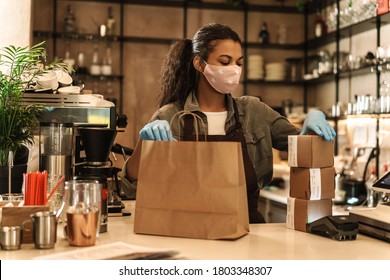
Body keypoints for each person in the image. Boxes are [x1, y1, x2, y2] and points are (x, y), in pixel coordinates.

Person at [122, 23, 335, 223]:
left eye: (238, 63)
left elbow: (301, 146)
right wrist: (144, 144)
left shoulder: (254, 111)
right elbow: (130, 187)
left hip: (249, 229)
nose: (233, 69)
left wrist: (310, 124)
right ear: (199, 63)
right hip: (187, 227)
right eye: (225, 62)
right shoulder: (170, 116)